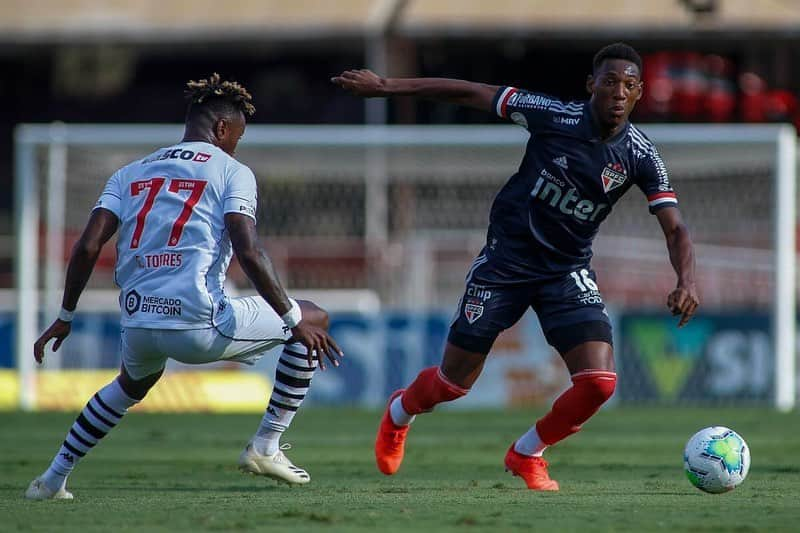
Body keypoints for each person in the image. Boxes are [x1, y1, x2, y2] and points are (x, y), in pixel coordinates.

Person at [332, 43, 698, 491]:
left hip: (566, 270)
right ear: (591, 86)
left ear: (639, 92)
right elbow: (472, 92)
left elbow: (675, 227)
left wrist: (686, 280)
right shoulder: (553, 115)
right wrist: (387, 86)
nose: (618, 92)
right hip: (506, 262)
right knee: (452, 385)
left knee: (599, 382)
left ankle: (528, 452)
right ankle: (399, 412)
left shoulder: (642, 155)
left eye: (628, 85)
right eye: (609, 82)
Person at [26, 73, 343, 500]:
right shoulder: (232, 171)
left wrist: (65, 316)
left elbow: (87, 246)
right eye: (237, 138)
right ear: (222, 129)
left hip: (138, 322)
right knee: (313, 317)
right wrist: (292, 319)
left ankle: (52, 479)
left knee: (129, 386)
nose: (235, 147)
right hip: (200, 323)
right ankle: (266, 445)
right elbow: (249, 250)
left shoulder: (129, 172)